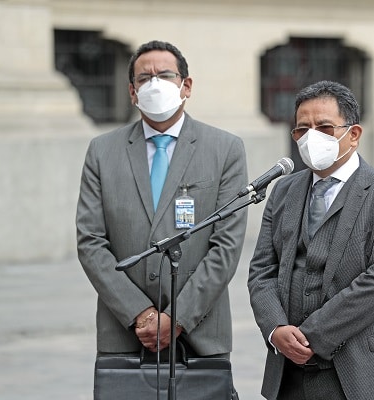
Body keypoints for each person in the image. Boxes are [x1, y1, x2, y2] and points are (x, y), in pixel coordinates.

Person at [76, 40, 247, 397]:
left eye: (165, 75)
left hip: (201, 334)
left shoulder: (225, 149)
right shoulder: (102, 151)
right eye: (144, 78)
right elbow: (91, 242)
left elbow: (226, 247)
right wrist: (141, 314)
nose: (155, 84)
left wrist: (178, 318)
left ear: (186, 86)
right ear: (132, 92)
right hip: (124, 332)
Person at [248, 80, 374, 399]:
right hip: (290, 374)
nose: (311, 137)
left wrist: (312, 336)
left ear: (353, 134)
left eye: (324, 127)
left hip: (364, 373)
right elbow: (262, 270)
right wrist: (276, 329)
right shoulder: (283, 191)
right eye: (302, 129)